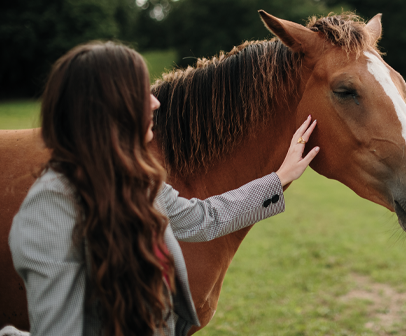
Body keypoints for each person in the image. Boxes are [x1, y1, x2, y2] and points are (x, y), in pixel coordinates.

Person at [8, 41, 320, 336]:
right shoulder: (52, 205)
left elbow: (203, 217)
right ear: (105, 106)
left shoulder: (137, 177)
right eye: (140, 92)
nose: (156, 102)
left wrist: (279, 178)